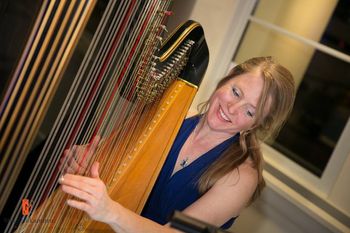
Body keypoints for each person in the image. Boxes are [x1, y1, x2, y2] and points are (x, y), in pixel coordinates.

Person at [59, 56, 296, 232]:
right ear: (228, 78)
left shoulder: (241, 176)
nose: (232, 109)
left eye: (250, 111)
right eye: (236, 92)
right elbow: (113, 178)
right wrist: (85, 166)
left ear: (257, 124)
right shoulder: (172, 119)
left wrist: (109, 210)